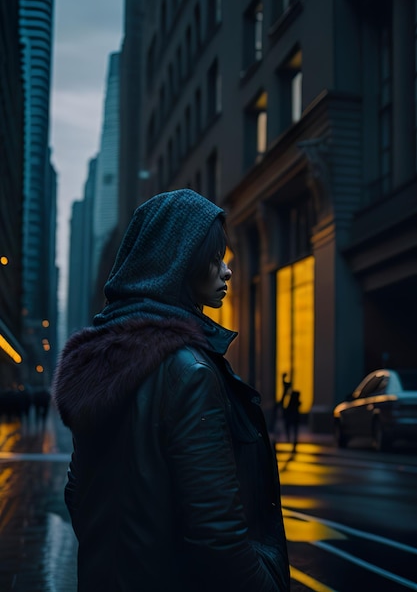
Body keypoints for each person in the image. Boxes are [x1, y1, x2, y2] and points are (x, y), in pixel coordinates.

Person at [52, 189, 290, 592]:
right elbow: (218, 535)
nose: (227, 270)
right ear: (177, 262)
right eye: (214, 258)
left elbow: (78, 495)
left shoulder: (103, 363)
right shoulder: (189, 372)